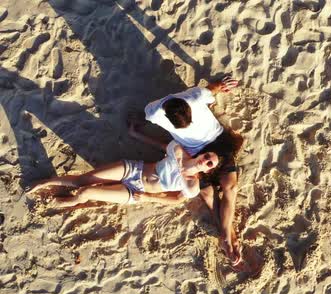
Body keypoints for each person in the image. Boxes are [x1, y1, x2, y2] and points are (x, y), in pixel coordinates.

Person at [127, 77, 243, 266]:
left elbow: (212, 89)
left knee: (231, 188)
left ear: (188, 108)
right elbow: (148, 119)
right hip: (194, 153)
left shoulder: (195, 97)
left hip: (219, 143)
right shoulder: (154, 112)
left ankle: (227, 237)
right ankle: (229, 236)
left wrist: (222, 86)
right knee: (208, 195)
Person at [27, 141, 219, 207]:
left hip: (136, 191)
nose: (206, 160)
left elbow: (176, 200)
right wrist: (137, 135)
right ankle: (46, 182)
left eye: (209, 163)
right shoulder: (180, 152)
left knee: (85, 192)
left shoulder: (193, 185)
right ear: (203, 153)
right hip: (134, 168)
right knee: (82, 180)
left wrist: (148, 198)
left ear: (207, 169)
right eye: (208, 155)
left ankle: (74, 201)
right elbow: (166, 145)